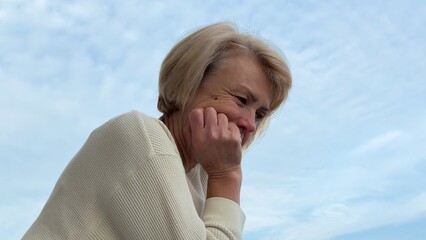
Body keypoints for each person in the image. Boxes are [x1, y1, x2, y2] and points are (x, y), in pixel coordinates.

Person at [23, 22, 292, 240]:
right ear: (188, 84)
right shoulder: (144, 139)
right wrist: (228, 175)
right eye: (241, 99)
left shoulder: (199, 178)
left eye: (259, 114)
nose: (250, 124)